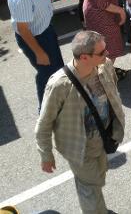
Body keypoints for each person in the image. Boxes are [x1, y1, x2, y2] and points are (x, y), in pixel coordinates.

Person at [35, 31, 125, 214]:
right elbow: (44, 124)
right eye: (101, 52)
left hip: (104, 138)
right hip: (80, 147)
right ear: (84, 57)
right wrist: (46, 155)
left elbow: (113, 92)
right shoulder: (60, 85)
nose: (107, 54)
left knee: (98, 177)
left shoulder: (105, 66)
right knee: (90, 188)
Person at [8, 0, 64, 108]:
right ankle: (45, 111)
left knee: (57, 70)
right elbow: (23, 29)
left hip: (45, 30)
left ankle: (59, 104)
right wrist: (39, 52)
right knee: (48, 75)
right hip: (37, 38)